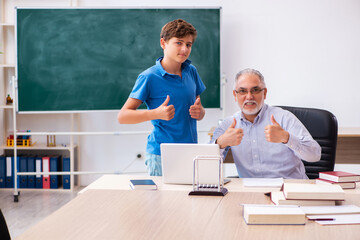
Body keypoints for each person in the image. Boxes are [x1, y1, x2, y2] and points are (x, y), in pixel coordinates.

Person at [118, 19, 206, 176]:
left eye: (188, 44)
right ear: (163, 43)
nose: (184, 49)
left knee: (189, 200)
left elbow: (199, 108)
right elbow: (123, 116)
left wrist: (201, 113)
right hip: (161, 155)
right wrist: (155, 114)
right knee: (163, 201)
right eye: (178, 43)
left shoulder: (191, 71)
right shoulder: (149, 77)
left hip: (191, 151)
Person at [211, 68, 321, 179]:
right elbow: (204, 165)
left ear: (265, 93)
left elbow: (315, 155)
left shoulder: (284, 118)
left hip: (289, 189)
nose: (249, 96)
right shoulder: (228, 125)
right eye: (243, 91)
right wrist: (220, 143)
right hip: (251, 191)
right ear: (235, 95)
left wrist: (286, 138)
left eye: (255, 90)